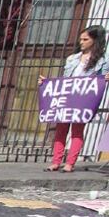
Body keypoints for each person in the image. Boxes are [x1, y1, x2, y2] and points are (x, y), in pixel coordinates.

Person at [39, 25, 109, 173]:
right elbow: (65, 80)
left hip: (83, 100)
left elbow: (101, 81)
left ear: (95, 40)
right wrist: (46, 83)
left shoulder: (103, 61)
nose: (81, 42)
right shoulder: (72, 59)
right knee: (61, 129)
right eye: (80, 39)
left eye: (85, 39)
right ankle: (56, 162)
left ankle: (70, 163)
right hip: (67, 97)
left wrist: (106, 78)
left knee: (77, 130)